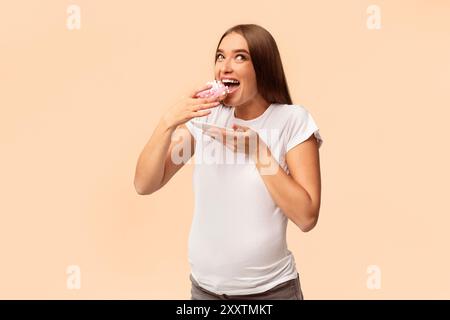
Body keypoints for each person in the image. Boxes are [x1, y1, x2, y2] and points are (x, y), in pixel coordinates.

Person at [134, 24, 323, 300]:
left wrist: (259, 152)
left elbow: (307, 217)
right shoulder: (206, 119)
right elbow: (144, 183)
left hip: (271, 294)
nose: (225, 66)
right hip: (204, 293)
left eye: (240, 57)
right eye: (220, 56)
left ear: (263, 66)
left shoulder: (292, 121)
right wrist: (167, 122)